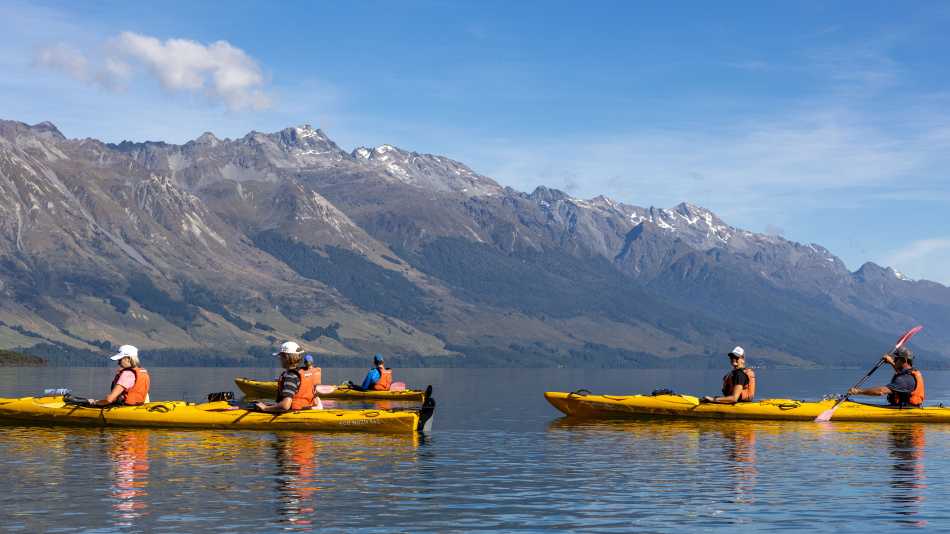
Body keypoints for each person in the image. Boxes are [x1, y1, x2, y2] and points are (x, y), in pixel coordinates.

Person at [255, 341, 322, 413]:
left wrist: (265, 408)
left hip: (292, 413)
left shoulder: (291, 376)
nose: (279, 359)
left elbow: (285, 406)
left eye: (281, 356)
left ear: (286, 358)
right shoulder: (303, 374)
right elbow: (317, 401)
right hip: (306, 411)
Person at [849, 347, 925, 407]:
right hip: (907, 407)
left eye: (896, 359)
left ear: (903, 360)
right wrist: (890, 362)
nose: (894, 361)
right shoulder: (908, 374)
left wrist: (858, 391)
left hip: (904, 411)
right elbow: (900, 371)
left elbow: (881, 391)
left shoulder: (904, 379)